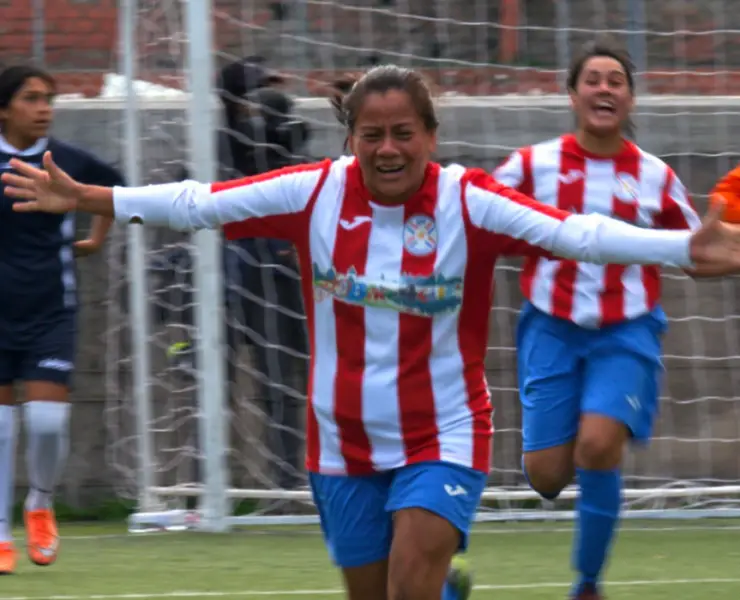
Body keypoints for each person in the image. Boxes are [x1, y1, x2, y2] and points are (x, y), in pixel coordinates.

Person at [4, 65, 740, 600]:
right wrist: (90, 195)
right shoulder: (315, 191)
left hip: (444, 432)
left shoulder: (469, 201)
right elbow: (200, 203)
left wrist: (681, 248)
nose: (388, 150)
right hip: (340, 443)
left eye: (404, 134)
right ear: (351, 136)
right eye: (372, 135)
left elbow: (576, 233)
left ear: (431, 135)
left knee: (409, 586)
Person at [493, 38, 704, 599]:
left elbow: (698, 246)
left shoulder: (655, 177)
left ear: (631, 100)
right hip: (550, 326)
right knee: (546, 476)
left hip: (627, 330)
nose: (605, 88)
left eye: (617, 80)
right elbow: (478, 212)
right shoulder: (531, 165)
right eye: (594, 79)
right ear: (572, 94)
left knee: (598, 445)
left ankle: (588, 584)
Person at [0, 64, 125, 574]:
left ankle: (40, 504)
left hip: (52, 313)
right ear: (5, 107)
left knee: (48, 424)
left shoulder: (66, 160)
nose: (45, 107)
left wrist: (96, 238)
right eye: (32, 98)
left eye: (49, 97)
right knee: (1, 430)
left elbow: (114, 188)